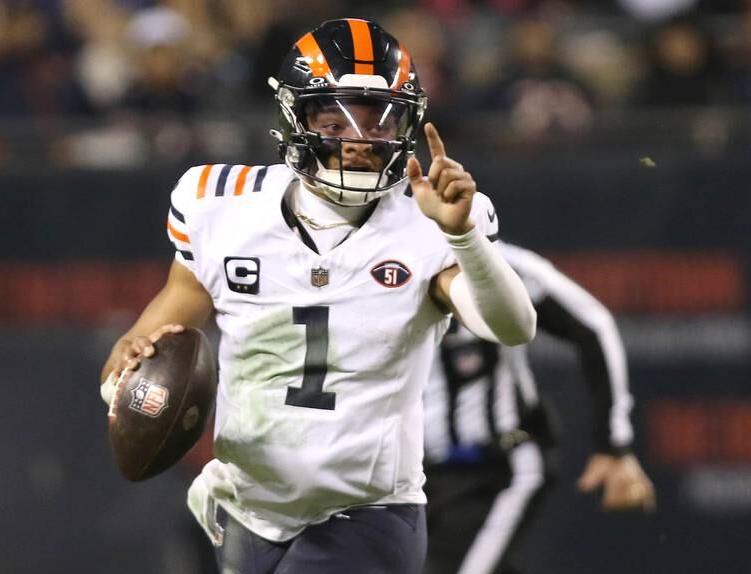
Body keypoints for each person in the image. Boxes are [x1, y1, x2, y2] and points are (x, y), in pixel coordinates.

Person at [99, 18, 537, 574]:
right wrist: (129, 369)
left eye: (379, 123)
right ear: (295, 117)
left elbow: (512, 326)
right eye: (336, 118)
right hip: (246, 508)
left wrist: (463, 236)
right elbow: (160, 329)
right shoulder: (222, 205)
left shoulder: (428, 223)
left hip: (366, 508)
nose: (358, 140)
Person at [422, 242, 656, 574]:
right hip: (412, 476)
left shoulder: (505, 266)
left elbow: (593, 325)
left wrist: (614, 444)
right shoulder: (369, 267)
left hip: (498, 467)